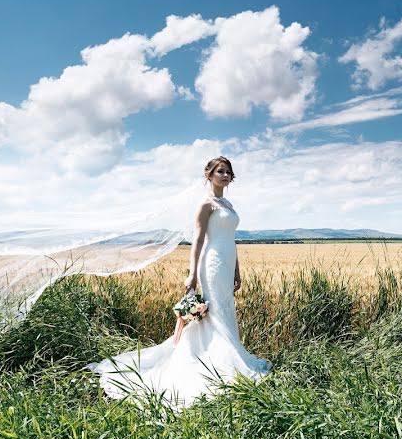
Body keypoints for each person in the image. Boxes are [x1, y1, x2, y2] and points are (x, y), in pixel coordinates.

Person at [86, 156, 272, 410]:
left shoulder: (227, 203)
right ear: (209, 174)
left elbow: (231, 239)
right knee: (212, 312)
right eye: (221, 171)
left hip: (227, 261)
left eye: (229, 172)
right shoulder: (205, 205)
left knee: (225, 310)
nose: (226, 176)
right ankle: (210, 361)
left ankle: (221, 356)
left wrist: (237, 270)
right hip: (212, 263)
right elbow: (197, 240)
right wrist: (192, 274)